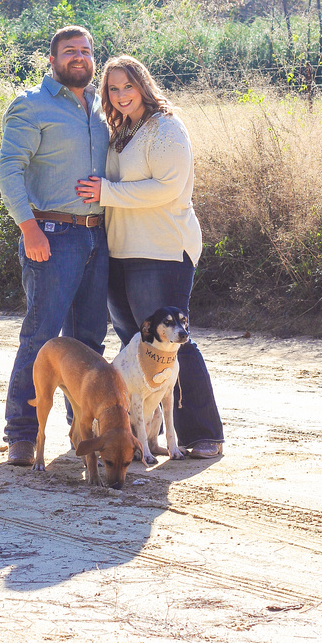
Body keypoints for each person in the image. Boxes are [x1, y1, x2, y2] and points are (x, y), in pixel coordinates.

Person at [76, 55, 224, 458]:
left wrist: (106, 192)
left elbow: (168, 188)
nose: (121, 95)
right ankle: (143, 435)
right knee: (137, 347)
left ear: (143, 84)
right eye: (113, 89)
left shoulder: (165, 128)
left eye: (128, 86)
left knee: (173, 345)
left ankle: (203, 433)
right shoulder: (120, 129)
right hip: (121, 249)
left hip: (161, 250)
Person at [0, 26, 110, 466]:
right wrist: (29, 228)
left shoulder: (101, 107)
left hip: (98, 236)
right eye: (69, 51)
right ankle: (22, 433)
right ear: (52, 60)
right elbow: (9, 171)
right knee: (41, 339)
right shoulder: (31, 104)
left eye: (85, 50)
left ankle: (81, 429)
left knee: (88, 341)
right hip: (52, 235)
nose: (78, 57)